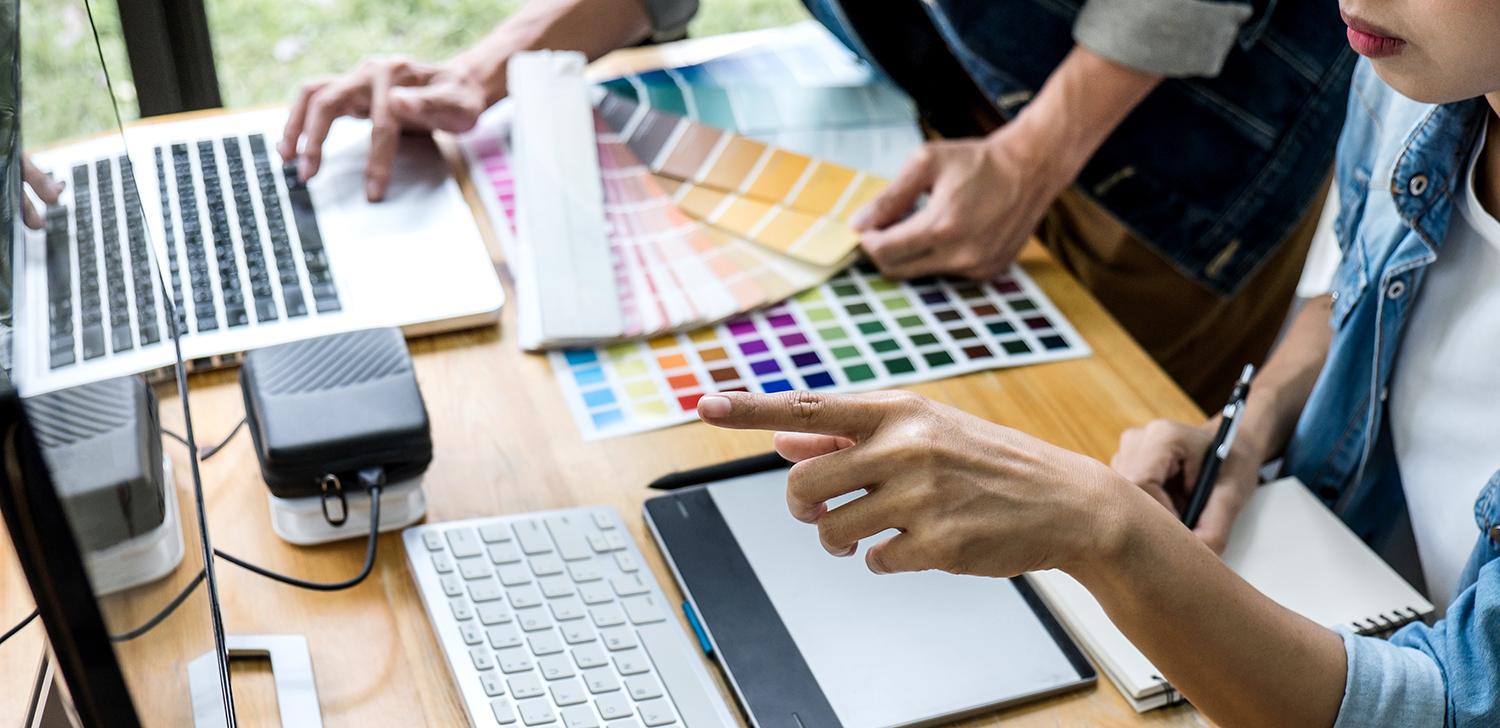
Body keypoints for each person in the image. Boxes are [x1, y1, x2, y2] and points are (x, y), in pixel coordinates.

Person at [695, 0, 1500, 723]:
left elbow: (1443, 707)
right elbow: (1356, 289)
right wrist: (1246, 432)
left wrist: (1107, 531)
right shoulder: (1410, 76)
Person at [277, 0, 1353, 410]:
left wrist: (1032, 155)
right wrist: (496, 63)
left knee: (1092, 484)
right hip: (927, 89)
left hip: (1170, 148)